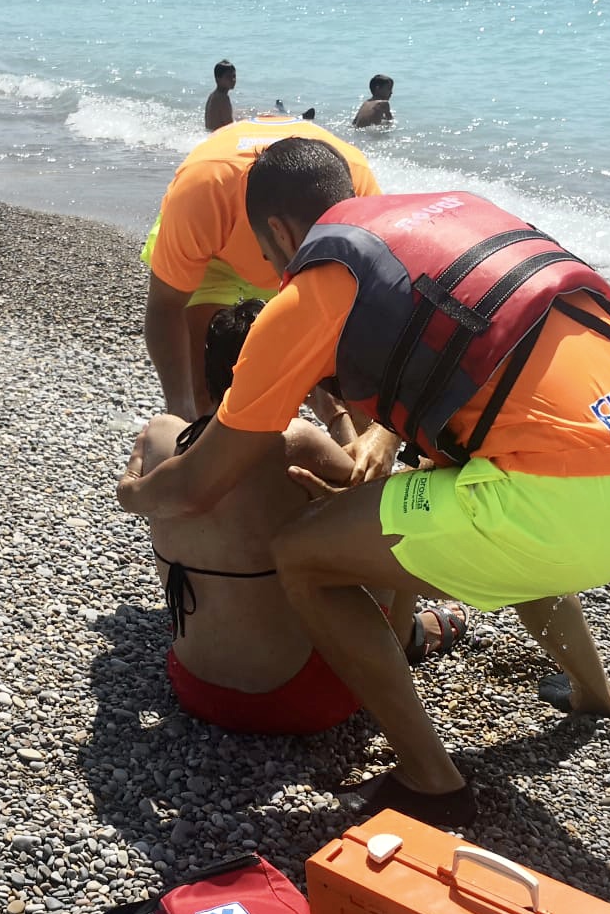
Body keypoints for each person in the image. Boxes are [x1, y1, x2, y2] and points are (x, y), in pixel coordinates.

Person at [118, 138, 610, 829]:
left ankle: (430, 780)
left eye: (268, 255)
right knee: (485, 489)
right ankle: (592, 694)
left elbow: (196, 486)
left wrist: (135, 492)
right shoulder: (448, 223)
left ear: (278, 232)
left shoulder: (310, 294)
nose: (277, 273)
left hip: (562, 504)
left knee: (304, 553)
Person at [133, 301, 466, 735]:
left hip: (195, 686)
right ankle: (403, 638)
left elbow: (136, 487)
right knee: (404, 497)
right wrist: (334, 415)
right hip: (299, 698)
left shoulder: (160, 435)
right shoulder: (294, 439)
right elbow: (370, 484)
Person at [141, 117, 380, 418]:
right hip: (216, 251)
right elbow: (165, 306)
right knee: (205, 391)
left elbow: (372, 325)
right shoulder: (204, 192)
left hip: (309, 242)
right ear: (277, 235)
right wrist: (181, 409)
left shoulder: (358, 187)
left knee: (346, 392)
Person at [204, 61, 236, 133]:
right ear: (218, 79)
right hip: (220, 139)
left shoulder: (213, 95)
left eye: (234, 76)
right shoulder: (223, 98)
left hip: (210, 136)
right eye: (228, 77)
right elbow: (230, 126)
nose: (233, 80)